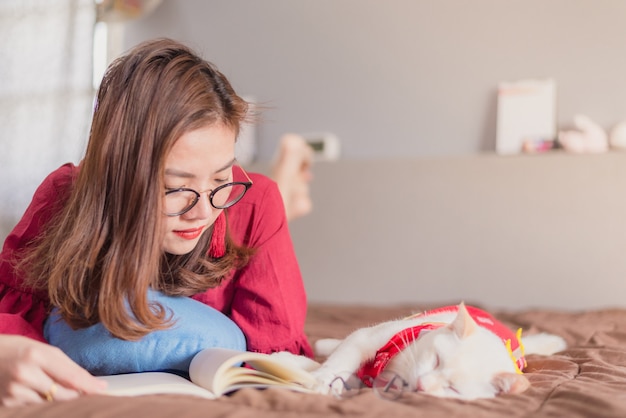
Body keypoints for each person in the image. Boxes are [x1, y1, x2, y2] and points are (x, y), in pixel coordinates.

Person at [0, 38, 313, 406]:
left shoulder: (253, 201)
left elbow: (277, 357)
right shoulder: (68, 192)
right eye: (173, 187)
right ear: (116, 177)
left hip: (257, 208)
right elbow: (13, 315)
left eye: (221, 177)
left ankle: (288, 179)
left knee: (261, 198)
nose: (202, 212)